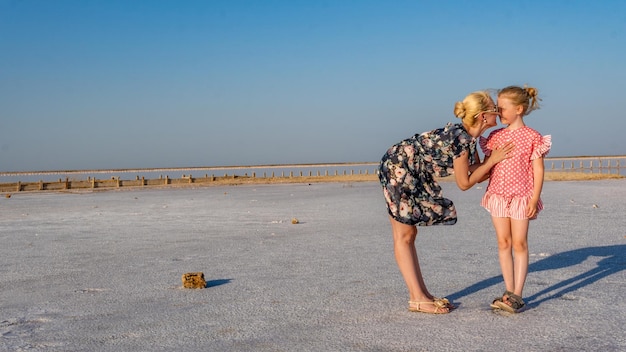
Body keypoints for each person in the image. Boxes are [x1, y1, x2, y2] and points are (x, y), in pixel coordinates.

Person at [377, 90, 513, 314]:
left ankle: (422, 294)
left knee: (409, 235)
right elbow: (464, 182)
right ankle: (417, 298)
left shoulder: (470, 138)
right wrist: (493, 161)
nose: (498, 112)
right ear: (482, 116)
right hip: (399, 166)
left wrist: (493, 162)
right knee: (404, 235)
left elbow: (475, 171)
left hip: (411, 169)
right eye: (494, 109)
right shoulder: (460, 138)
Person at [480, 85, 551, 313]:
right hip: (498, 196)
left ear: (519, 109)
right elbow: (487, 166)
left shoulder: (533, 137)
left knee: (519, 244)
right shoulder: (495, 136)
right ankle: (508, 291)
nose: (499, 113)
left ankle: (518, 294)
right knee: (503, 243)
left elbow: (538, 171)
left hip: (522, 196)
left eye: (502, 108)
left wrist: (534, 199)